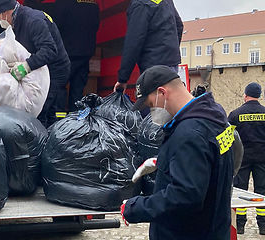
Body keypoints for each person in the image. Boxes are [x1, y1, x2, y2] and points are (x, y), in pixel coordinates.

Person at [121, 65, 234, 239]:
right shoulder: (213, 117)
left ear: (162, 93)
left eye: (151, 105)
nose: (152, 113)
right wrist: (165, 162)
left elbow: (185, 197)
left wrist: (134, 207)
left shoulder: (189, 132)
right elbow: (207, 163)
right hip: (212, 228)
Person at [0, 0, 71, 127]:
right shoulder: (16, 23)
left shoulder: (33, 21)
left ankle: (41, 143)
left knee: (40, 109)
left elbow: (50, 50)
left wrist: (26, 66)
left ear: (5, 11)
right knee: (42, 110)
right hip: (40, 68)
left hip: (55, 70)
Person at [114, 0, 183, 92]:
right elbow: (179, 26)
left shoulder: (140, 4)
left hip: (153, 67)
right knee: (168, 102)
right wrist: (169, 50)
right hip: (172, 64)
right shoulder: (166, 1)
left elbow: (134, 42)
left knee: (153, 102)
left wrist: (123, 79)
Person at [228, 82, 265, 235]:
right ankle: (263, 226)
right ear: (259, 95)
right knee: (262, 191)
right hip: (263, 159)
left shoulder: (235, 114)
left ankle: (240, 225)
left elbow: (229, 138)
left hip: (242, 159)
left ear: (245, 95)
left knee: (241, 191)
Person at [54, 0, 100, 112]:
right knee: (77, 90)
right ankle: (75, 121)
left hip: (67, 53)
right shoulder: (93, 5)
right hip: (86, 53)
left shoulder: (64, 3)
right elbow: (96, 26)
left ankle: (59, 121)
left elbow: (55, 25)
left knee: (60, 88)